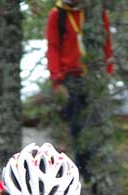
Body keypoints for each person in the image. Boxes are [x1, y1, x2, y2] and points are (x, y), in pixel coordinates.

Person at [46, 0, 115, 172]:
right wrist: (57, 80)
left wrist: (107, 70)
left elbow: (106, 41)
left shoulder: (96, 12)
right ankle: (84, 172)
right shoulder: (58, 15)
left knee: (97, 121)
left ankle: (100, 168)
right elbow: (53, 47)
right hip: (71, 78)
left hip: (94, 76)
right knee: (77, 126)